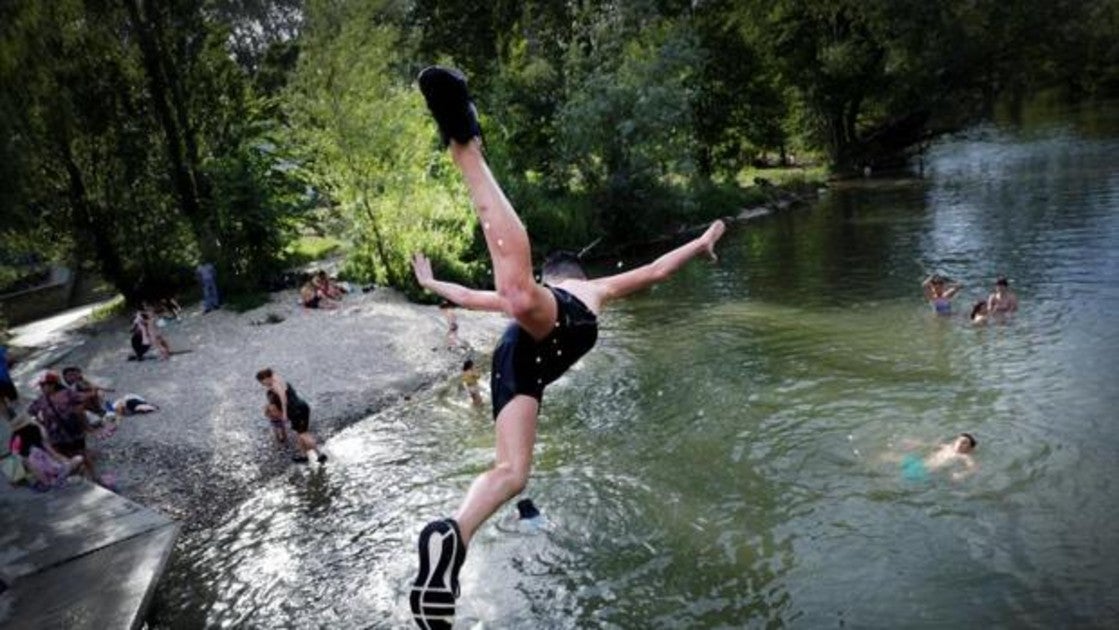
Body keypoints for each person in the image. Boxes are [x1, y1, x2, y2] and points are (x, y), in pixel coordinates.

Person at [409, 65, 727, 628]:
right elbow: (654, 270)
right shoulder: (589, 286)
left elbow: (467, 295)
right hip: (553, 328)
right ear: (570, 272)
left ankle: (451, 539)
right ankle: (467, 147)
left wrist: (433, 284)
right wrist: (699, 243)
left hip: (515, 361)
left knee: (513, 472)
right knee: (514, 292)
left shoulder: (535, 297)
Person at [26, 371, 96, 478]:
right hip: (56, 435)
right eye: (41, 386)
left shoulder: (67, 393)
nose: (42, 388)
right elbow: (31, 411)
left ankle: (94, 476)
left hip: (73, 431)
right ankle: (80, 475)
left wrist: (80, 408)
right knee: (65, 457)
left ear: (52, 385)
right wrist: (41, 423)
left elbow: (85, 397)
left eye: (43, 385)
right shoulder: (41, 400)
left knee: (82, 453)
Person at [255, 368, 327, 464]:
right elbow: (273, 374)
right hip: (301, 407)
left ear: (266, 378)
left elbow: (283, 398)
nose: (262, 384)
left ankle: (320, 455)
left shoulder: (276, 385)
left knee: (304, 434)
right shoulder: (278, 379)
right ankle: (303, 456)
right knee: (300, 433)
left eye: (262, 381)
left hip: (296, 410)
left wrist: (284, 414)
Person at [8, 412, 84, 488]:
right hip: (42, 464)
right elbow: (48, 448)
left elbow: (16, 457)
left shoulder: (17, 438)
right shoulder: (34, 430)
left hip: (38, 466)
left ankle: (57, 479)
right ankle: (60, 478)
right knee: (76, 460)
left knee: (51, 476)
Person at [890, 433, 978, 482]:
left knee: (894, 480)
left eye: (964, 442)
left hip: (923, 471)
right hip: (918, 462)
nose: (960, 443)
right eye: (959, 440)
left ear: (969, 448)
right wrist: (915, 443)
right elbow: (928, 445)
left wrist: (962, 474)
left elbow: (973, 468)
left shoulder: (964, 456)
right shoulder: (946, 446)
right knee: (887, 456)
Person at [0, 344, 17, 420]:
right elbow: (10, 359)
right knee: (14, 401)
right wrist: (9, 366)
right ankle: (21, 420)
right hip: (4, 379)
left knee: (1, 404)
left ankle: (10, 422)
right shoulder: (1, 349)